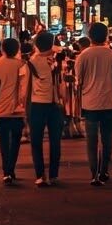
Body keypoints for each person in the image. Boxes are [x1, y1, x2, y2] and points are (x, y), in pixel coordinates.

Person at [75, 21, 112, 186]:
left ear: (89, 36)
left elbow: (78, 82)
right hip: (109, 102)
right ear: (106, 36)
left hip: (89, 103)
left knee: (91, 141)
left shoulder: (82, 56)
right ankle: (104, 170)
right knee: (107, 139)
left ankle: (93, 173)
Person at [0, 37, 29, 185]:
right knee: (16, 142)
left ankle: (6, 172)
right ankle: (11, 169)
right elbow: (25, 89)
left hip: (0, 110)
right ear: (17, 49)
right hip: (18, 111)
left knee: (4, 143)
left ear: (2, 49)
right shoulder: (22, 65)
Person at [27, 31, 65, 186]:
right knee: (55, 141)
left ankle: (40, 175)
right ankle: (54, 175)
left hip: (36, 104)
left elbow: (26, 87)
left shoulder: (31, 62)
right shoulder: (54, 61)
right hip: (54, 104)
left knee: (36, 141)